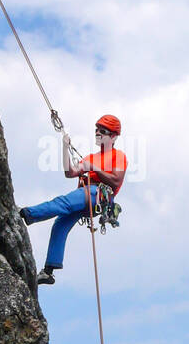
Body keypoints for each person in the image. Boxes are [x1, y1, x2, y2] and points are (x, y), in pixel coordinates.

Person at [20, 114, 128, 284]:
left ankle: (27, 214)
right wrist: (65, 148)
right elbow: (69, 172)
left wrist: (93, 168)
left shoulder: (118, 156)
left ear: (113, 136)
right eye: (96, 130)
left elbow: (116, 180)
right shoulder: (90, 158)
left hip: (97, 193)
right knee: (60, 224)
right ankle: (49, 271)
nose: (97, 133)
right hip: (87, 197)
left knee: (63, 203)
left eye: (103, 131)